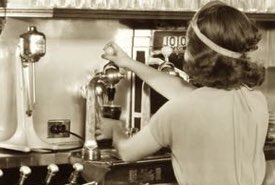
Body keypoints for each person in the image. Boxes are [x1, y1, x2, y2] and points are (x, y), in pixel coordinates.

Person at [97, 1, 269, 185]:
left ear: (195, 54)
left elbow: (127, 152)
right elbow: (184, 91)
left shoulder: (178, 111)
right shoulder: (255, 100)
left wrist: (115, 129)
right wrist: (128, 63)